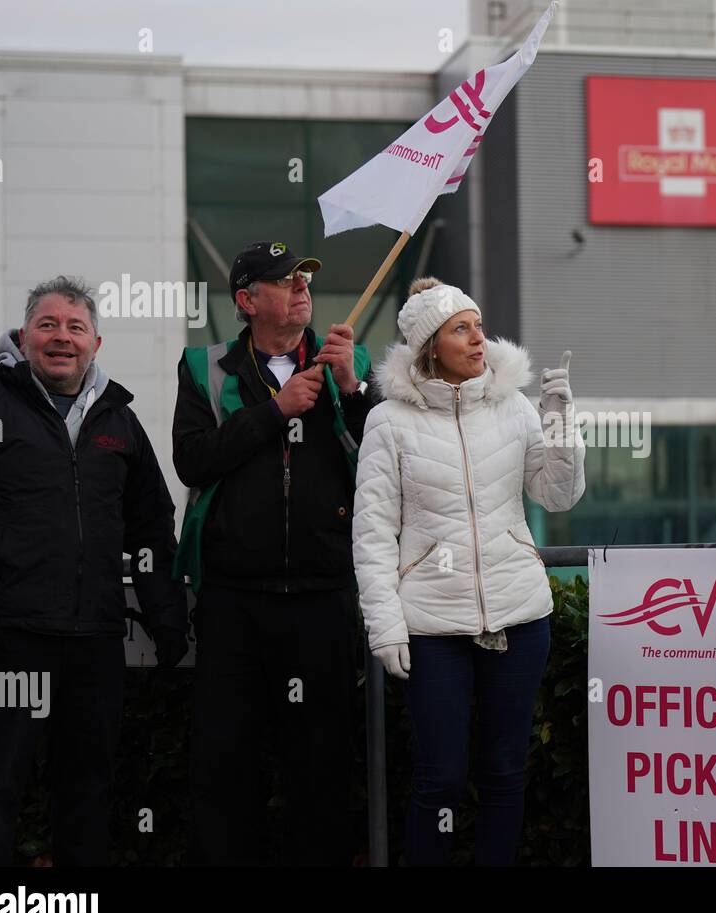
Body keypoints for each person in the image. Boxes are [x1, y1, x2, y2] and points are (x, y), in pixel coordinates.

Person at [0, 276, 187, 865]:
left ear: (96, 344)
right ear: (24, 336)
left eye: (75, 327)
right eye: (48, 325)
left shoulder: (119, 422)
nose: (61, 338)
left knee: (86, 796)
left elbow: (152, 527)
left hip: (94, 641)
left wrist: (166, 615)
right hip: (8, 637)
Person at [352, 276, 584, 866]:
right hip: (431, 627)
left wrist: (558, 419)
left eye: (479, 324)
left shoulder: (515, 407)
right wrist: (385, 626)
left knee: (506, 772)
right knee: (441, 780)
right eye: (462, 328)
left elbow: (557, 496)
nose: (479, 338)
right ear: (430, 346)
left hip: (519, 617)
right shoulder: (387, 422)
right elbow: (373, 533)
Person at [172, 241, 375, 865]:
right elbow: (193, 460)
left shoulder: (353, 360)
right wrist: (273, 414)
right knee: (225, 771)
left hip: (323, 599)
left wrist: (357, 389)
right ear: (246, 299)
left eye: (305, 280)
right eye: (285, 282)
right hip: (233, 602)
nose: (302, 290)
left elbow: (387, 467)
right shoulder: (204, 366)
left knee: (323, 772)